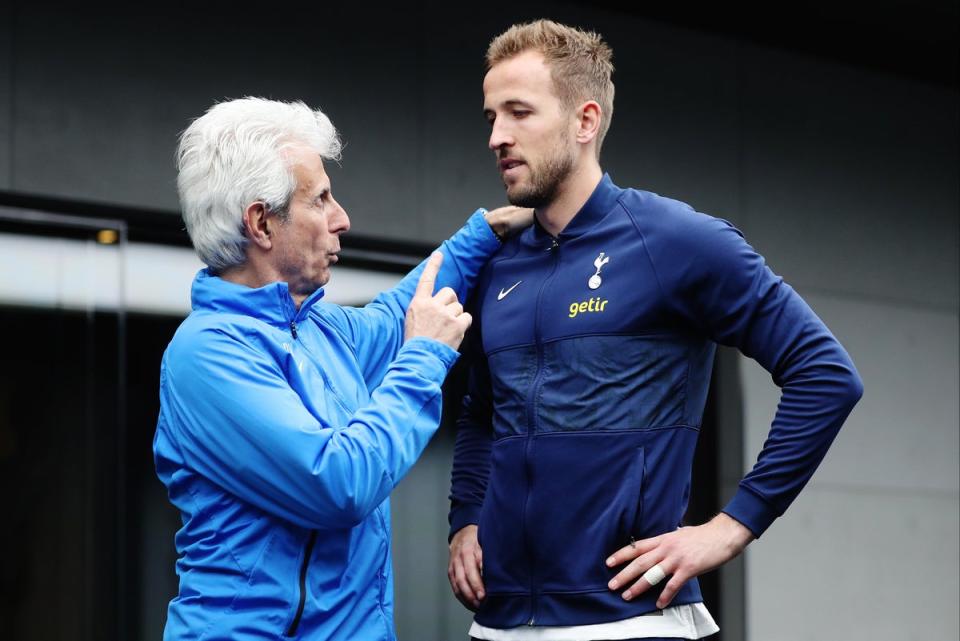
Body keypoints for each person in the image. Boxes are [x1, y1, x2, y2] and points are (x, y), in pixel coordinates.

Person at [447, 20, 863, 640]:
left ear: (585, 122)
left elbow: (826, 376)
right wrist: (465, 520)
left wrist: (730, 528)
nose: (498, 137)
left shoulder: (677, 242)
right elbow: (483, 412)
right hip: (499, 621)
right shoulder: (499, 262)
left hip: (627, 619)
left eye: (518, 113)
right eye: (490, 118)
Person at [153, 97, 531, 640]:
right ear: (261, 222)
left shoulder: (317, 327)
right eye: (322, 199)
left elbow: (397, 311)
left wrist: (485, 233)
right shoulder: (208, 354)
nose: (342, 219)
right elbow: (338, 483)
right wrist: (426, 355)